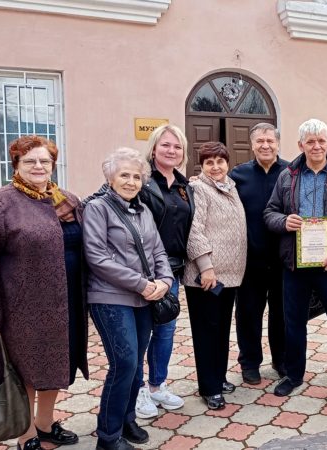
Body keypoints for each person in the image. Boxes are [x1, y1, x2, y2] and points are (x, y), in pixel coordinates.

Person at [0, 135, 87, 450]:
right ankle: (26, 434)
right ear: (17, 165)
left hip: (67, 302)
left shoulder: (68, 200)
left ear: (53, 165)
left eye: (44, 161)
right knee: (26, 370)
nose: (38, 166)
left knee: (57, 365)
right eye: (30, 161)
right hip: (23, 306)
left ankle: (45, 424)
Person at [264, 118, 327, 403]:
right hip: (295, 263)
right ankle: (293, 375)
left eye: (321, 140)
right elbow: (269, 213)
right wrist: (284, 221)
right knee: (292, 321)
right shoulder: (287, 176)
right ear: (300, 145)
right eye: (310, 141)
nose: (316, 146)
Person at [84, 148, 174, 450]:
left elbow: (158, 251)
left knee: (135, 365)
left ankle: (127, 419)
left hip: (144, 298)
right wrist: (142, 284)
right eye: (124, 175)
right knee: (123, 363)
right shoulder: (98, 209)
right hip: (110, 298)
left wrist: (164, 280)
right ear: (110, 178)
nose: (131, 181)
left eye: (137, 176)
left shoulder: (144, 210)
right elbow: (96, 257)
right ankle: (108, 436)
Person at [135, 124, 194, 417]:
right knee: (140, 333)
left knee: (165, 330)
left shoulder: (184, 186)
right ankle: (138, 390)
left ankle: (158, 385)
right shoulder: (142, 181)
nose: (172, 151)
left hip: (173, 270)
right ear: (154, 148)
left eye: (177, 147)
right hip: (143, 271)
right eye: (166, 145)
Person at [183, 142, 247, 410]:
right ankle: (209, 387)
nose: (216, 167)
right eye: (209, 162)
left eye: (220, 161)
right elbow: (194, 230)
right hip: (206, 276)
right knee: (207, 332)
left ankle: (218, 377)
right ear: (202, 166)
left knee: (221, 330)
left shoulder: (230, 187)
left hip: (229, 275)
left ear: (227, 163)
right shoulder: (198, 188)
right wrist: (206, 266)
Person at [230, 123, 289, 385]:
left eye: (270, 141)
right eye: (260, 141)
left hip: (283, 260)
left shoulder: (291, 173)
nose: (265, 146)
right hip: (249, 261)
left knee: (282, 314)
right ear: (252, 145)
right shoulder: (237, 175)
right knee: (248, 314)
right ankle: (250, 362)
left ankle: (282, 360)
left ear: (277, 143)